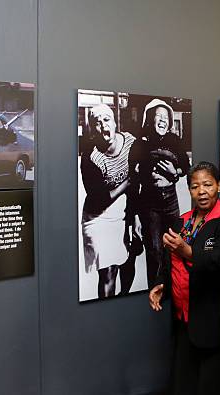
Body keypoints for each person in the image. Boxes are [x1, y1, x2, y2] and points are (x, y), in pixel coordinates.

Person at [149, 161, 220, 395]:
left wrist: (187, 251)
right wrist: (163, 284)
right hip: (183, 319)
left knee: (210, 386)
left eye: (208, 185)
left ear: (219, 186)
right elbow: (171, 261)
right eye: (195, 186)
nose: (201, 191)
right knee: (182, 384)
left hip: (211, 320)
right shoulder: (182, 221)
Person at [129, 98, 191, 287]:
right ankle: (155, 289)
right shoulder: (139, 144)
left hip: (171, 200)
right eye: (159, 116)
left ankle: (175, 288)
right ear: (149, 119)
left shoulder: (175, 141)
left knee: (173, 246)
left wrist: (175, 172)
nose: (163, 120)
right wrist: (134, 216)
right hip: (149, 203)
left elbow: (185, 167)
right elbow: (133, 180)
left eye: (166, 117)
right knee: (154, 250)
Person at [80, 104, 136, 298]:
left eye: (106, 119)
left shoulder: (131, 143)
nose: (103, 125)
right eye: (97, 123)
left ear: (114, 122)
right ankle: (106, 310)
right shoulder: (91, 157)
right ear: (92, 130)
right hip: (98, 217)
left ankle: (123, 300)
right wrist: (127, 183)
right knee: (108, 271)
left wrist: (134, 217)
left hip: (124, 212)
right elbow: (98, 199)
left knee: (128, 262)